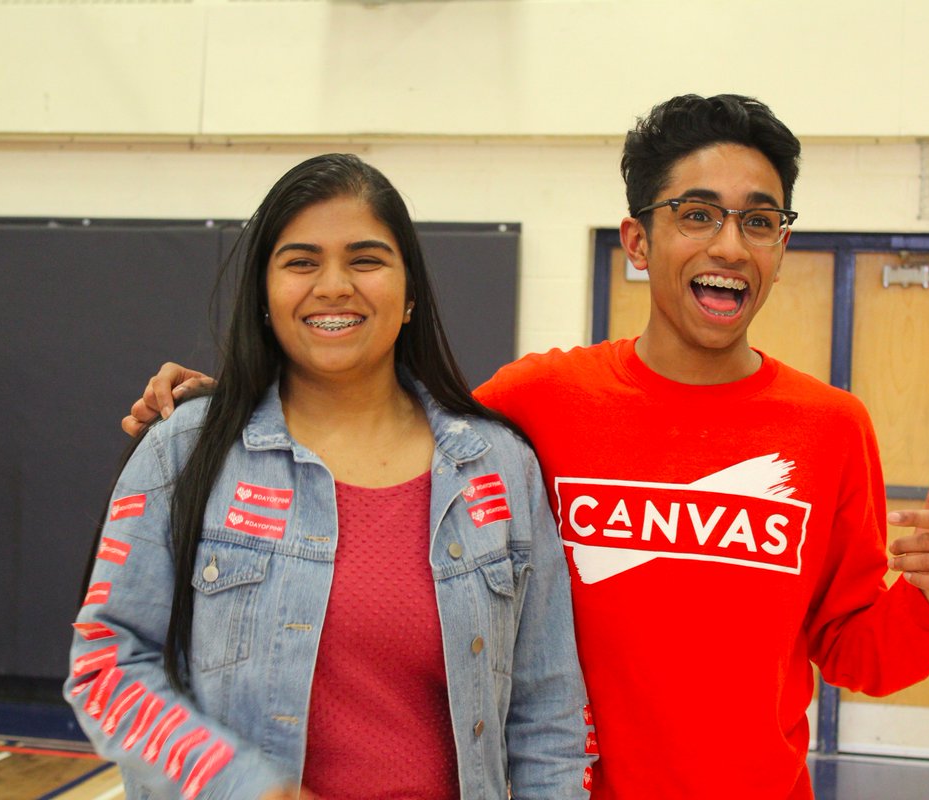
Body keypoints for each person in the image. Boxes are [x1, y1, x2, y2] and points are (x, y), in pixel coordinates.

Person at [125, 95, 929, 799]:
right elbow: (370, 419)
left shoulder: (828, 427)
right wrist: (237, 403)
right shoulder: (540, 401)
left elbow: (856, 649)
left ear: (781, 245)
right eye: (698, 215)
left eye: (759, 221)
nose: (729, 244)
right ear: (639, 242)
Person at [65, 154, 594, 800]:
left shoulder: (499, 466)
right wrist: (249, 789)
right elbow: (106, 667)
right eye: (301, 262)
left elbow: (549, 719)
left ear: (409, 297)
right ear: (264, 295)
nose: (335, 285)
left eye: (366, 260)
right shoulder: (183, 450)